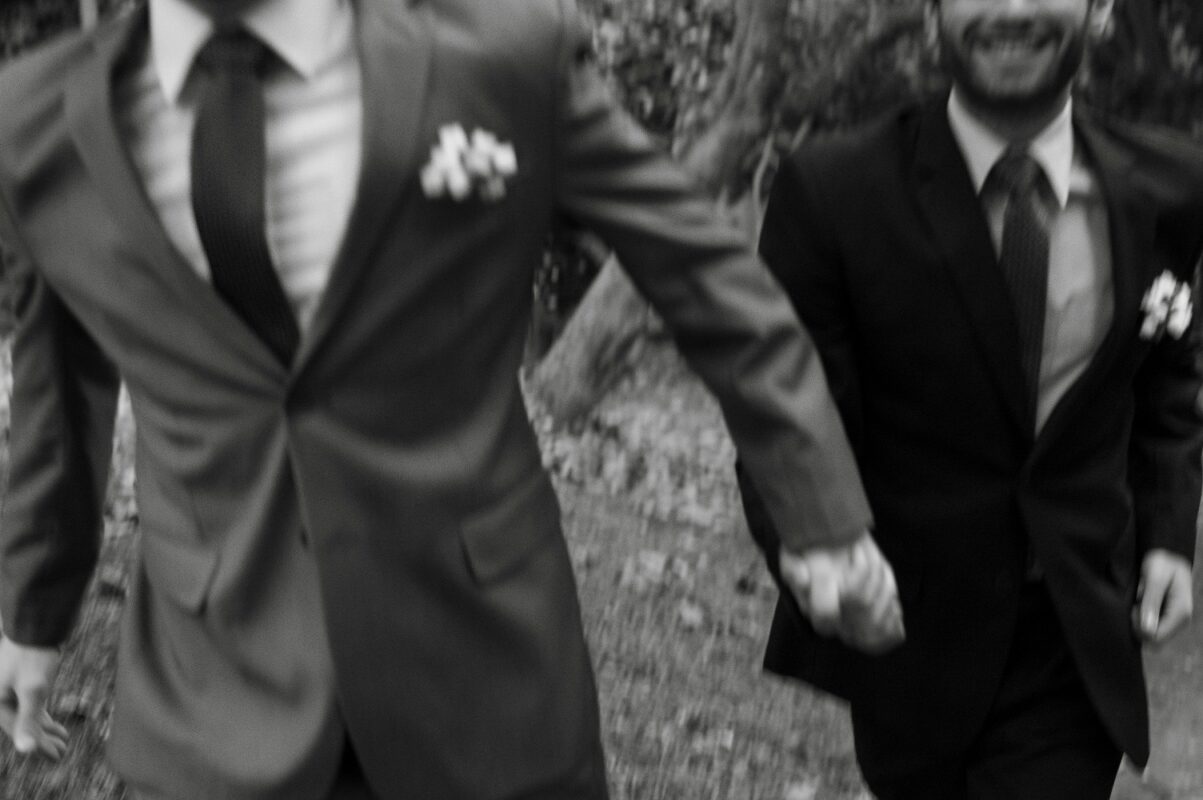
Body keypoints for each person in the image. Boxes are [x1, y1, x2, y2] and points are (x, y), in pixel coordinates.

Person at [0, 0, 903, 797]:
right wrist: (34, 612)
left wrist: (819, 517)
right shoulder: (35, 121)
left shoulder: (500, 56)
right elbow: (59, 371)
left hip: (483, 675)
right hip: (215, 689)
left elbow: (705, 278)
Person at [739, 0, 1203, 797]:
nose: (1012, 9)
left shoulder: (1168, 188)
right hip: (908, 635)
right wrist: (813, 545)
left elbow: (1161, 373)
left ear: (1096, 13)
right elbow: (788, 412)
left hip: (1071, 633)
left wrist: (1166, 534)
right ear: (932, 12)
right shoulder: (832, 192)